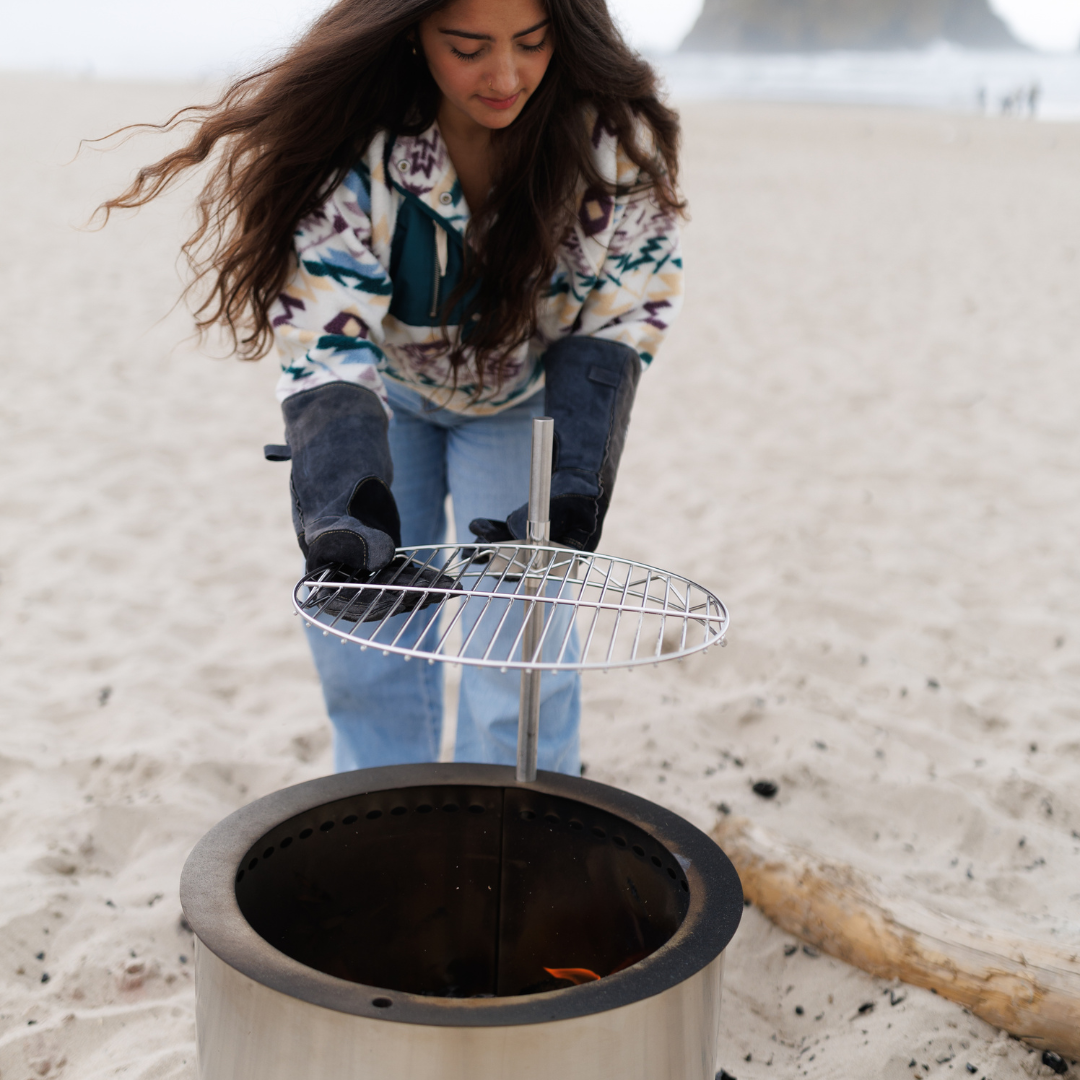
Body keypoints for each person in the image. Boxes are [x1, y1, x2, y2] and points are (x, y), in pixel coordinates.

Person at [101, 0, 685, 776]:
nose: (505, 75)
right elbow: (325, 330)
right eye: (469, 47)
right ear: (412, 30)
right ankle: (384, 825)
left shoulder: (611, 148)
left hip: (522, 409)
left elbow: (618, 315)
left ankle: (511, 833)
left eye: (532, 42)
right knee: (365, 642)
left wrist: (576, 473)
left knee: (519, 654)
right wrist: (343, 491)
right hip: (383, 400)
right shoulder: (353, 142)